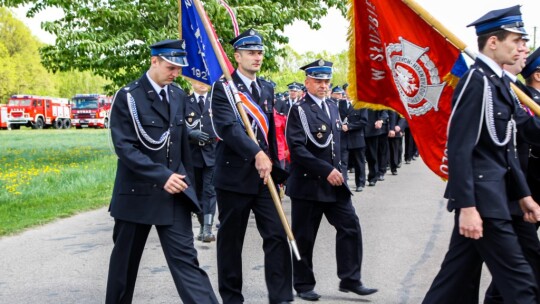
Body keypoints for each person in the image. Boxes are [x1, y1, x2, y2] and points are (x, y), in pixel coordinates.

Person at [422, 6, 540, 303]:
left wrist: (524, 194)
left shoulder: (500, 84)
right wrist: (468, 207)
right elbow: (460, 149)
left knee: (454, 282)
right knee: (522, 282)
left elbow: (509, 145)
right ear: (493, 43)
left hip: (499, 196)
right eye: (517, 40)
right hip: (484, 200)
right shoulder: (477, 82)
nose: (523, 47)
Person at [105, 39, 218, 304]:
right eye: (170, 67)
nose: (175, 74)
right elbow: (125, 148)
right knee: (124, 268)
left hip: (173, 194)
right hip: (137, 194)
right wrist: (162, 176)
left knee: (188, 264)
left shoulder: (178, 95)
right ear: (153, 61)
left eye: (179, 69)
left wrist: (189, 187)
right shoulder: (128, 96)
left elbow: (179, 148)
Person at [209, 28, 293, 304]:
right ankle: (232, 298)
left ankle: (280, 297)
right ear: (237, 56)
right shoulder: (223, 87)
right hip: (233, 176)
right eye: (251, 53)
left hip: (264, 177)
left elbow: (270, 135)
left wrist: (276, 167)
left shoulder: (267, 87)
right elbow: (228, 129)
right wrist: (256, 153)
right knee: (231, 242)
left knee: (277, 234)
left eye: (260, 53)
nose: (257, 57)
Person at [285, 58, 378, 301]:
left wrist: (339, 171)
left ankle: (350, 278)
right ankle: (303, 284)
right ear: (307, 83)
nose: (324, 85)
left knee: (350, 226)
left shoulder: (333, 107)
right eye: (318, 81)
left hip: (334, 184)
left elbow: (337, 146)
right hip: (308, 184)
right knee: (304, 237)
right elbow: (297, 148)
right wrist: (325, 170)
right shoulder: (299, 110)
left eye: (326, 81)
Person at [185, 79, 218, 242]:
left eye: (205, 81)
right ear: (191, 81)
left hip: (212, 153)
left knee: (210, 191)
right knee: (196, 192)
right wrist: (189, 133)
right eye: (198, 81)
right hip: (193, 154)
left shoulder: (215, 102)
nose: (202, 84)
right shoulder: (185, 102)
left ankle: (208, 229)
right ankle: (201, 224)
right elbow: (176, 123)